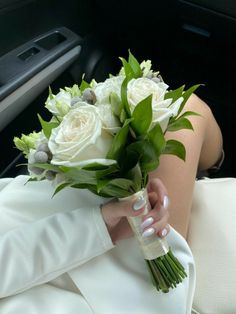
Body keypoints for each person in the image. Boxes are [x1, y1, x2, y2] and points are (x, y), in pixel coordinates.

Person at [0, 93, 223, 314]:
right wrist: (100, 228)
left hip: (42, 224)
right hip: (103, 281)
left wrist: (102, 225)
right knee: (189, 110)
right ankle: (213, 165)